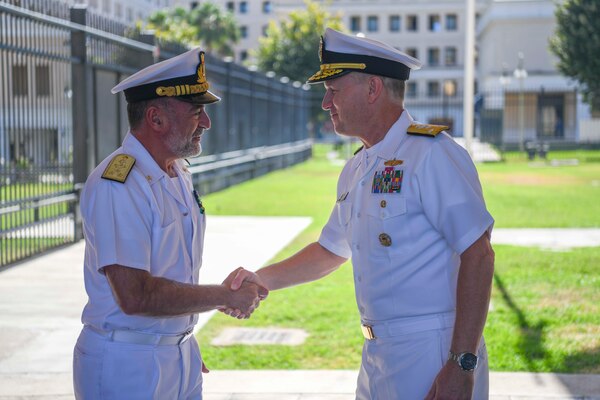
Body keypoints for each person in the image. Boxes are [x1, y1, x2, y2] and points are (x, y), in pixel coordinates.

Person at [227, 28, 495, 399]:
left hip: (433, 350)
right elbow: (330, 250)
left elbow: (478, 254)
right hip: (377, 355)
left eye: (334, 90)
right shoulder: (358, 167)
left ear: (372, 90)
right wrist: (261, 279)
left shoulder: (432, 155)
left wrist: (462, 362)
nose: (325, 103)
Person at [73, 48, 267, 399]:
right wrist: (225, 296)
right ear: (156, 118)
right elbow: (135, 295)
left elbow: (174, 270)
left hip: (176, 355)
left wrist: (179, 344)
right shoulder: (119, 182)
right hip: (127, 365)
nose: (206, 123)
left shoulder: (176, 172)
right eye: (196, 112)